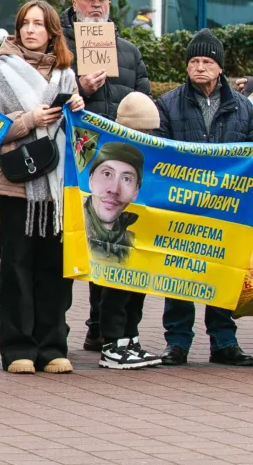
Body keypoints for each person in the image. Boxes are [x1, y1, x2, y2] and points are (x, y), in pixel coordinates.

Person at [0, 0, 84, 374]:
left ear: (52, 31)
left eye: (39, 24)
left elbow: (77, 134)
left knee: (54, 269)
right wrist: (28, 119)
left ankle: (53, 346)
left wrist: (77, 109)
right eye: (25, 23)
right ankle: (18, 348)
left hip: (57, 189)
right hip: (15, 185)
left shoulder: (66, 76)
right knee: (16, 267)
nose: (30, 30)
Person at [59, 0, 152, 353]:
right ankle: (55, 335)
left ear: (110, 5)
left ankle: (102, 328)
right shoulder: (60, 46)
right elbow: (47, 99)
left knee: (114, 244)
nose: (96, 4)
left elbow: (145, 103)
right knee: (72, 247)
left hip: (118, 166)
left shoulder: (128, 51)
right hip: (75, 163)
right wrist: (79, 88)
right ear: (75, 3)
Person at [155, 29, 253, 367]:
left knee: (224, 271)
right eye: (194, 61)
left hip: (227, 206)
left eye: (207, 61)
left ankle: (224, 341)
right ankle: (177, 342)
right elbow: (159, 151)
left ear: (220, 67)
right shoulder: (167, 104)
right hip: (182, 204)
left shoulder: (243, 107)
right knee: (178, 272)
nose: (200, 67)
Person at [90, 94, 162, 370]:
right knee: (117, 287)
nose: (145, 136)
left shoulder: (146, 153)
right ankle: (113, 343)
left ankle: (130, 338)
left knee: (136, 287)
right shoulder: (114, 153)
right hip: (114, 233)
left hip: (135, 229)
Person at [84, 142, 143, 264]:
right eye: (107, 174)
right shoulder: (69, 226)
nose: (115, 189)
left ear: (135, 192)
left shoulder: (135, 243)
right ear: (90, 181)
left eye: (126, 179)